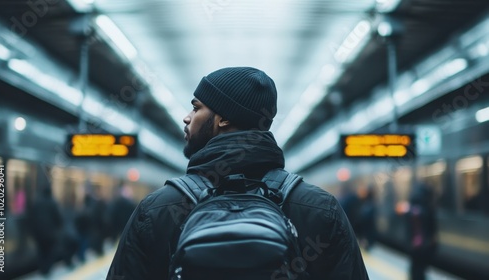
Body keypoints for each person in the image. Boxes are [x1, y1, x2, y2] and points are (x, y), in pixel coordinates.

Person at [107, 67, 369, 279]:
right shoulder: (320, 209)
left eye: (197, 108)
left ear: (223, 119)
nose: (187, 118)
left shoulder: (158, 209)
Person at [406, 182, 438, 280]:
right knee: (421, 269)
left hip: (414, 244)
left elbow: (409, 228)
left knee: (415, 268)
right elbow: (432, 227)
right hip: (425, 244)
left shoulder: (412, 209)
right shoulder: (428, 208)